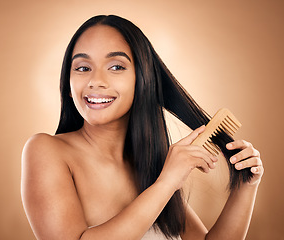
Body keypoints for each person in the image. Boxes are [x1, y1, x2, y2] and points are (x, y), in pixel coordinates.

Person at [21, 15, 264, 240]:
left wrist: (246, 186)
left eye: (116, 67)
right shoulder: (46, 151)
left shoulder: (151, 166)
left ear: (143, 77)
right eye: (83, 68)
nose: (96, 81)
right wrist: (167, 183)